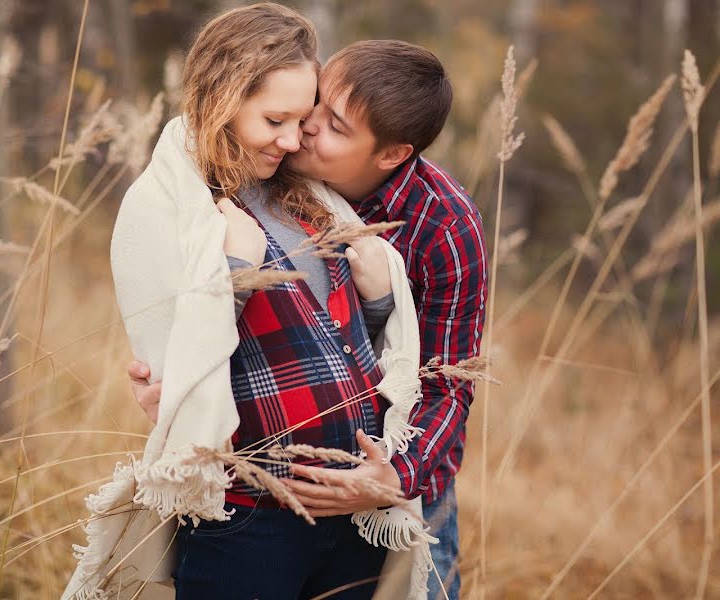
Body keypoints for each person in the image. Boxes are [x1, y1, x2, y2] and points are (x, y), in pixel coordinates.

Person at [69, 4, 434, 600]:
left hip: (350, 520)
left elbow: (338, 341)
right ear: (223, 99)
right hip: (249, 519)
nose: (294, 140)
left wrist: (374, 301)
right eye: (275, 119)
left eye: (303, 118)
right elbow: (181, 370)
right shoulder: (173, 209)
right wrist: (240, 267)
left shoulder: (303, 197)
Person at [129, 39, 488, 600]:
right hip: (254, 501)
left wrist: (396, 477)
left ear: (391, 154)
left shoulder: (441, 225)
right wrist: (176, 384)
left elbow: (446, 382)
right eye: (311, 106)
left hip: (396, 484)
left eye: (335, 127)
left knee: (427, 585)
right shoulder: (259, 163)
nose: (304, 131)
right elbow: (177, 293)